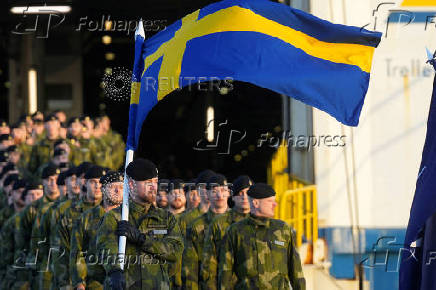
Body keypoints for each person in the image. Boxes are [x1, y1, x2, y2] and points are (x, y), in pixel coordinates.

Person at [96, 158, 184, 289]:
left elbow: (176, 251)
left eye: (155, 182)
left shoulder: (166, 218)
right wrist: (114, 271)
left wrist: (142, 240)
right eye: (148, 183)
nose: (154, 187)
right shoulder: (115, 217)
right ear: (131, 185)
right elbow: (106, 248)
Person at [218, 183, 306, 290]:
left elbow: (296, 272)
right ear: (255, 203)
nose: (275, 204)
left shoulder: (284, 230)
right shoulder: (235, 232)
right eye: (270, 201)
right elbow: (225, 274)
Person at [70, 171, 124, 290]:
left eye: (121, 187)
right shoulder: (86, 218)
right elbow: (77, 252)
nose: (117, 191)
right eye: (113, 187)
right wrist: (79, 282)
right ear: (103, 189)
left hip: (123, 280)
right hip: (95, 283)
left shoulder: (129, 217)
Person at [55, 165, 105, 288]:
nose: (98, 186)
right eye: (93, 182)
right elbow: (62, 251)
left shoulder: (110, 211)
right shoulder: (71, 212)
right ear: (85, 183)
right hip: (78, 280)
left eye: (101, 182)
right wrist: (65, 284)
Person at [201, 175, 252, 289]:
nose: (244, 197)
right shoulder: (218, 223)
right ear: (233, 197)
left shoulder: (261, 222)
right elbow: (209, 265)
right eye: (240, 193)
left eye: (248, 193)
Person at [182, 173, 229, 289]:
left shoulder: (238, 224)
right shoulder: (195, 225)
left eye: (223, 190)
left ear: (229, 193)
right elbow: (190, 268)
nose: (219, 195)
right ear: (206, 194)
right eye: (214, 191)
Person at [178, 169, 215, 237]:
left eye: (212, 187)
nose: (208, 190)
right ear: (198, 189)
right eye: (204, 187)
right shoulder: (185, 219)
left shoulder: (228, 216)